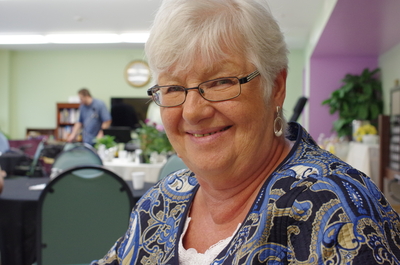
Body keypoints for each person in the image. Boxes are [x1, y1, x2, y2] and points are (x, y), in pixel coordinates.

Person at [92, 0, 400, 264]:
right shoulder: (160, 199)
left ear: (275, 87)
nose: (192, 112)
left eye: (220, 82)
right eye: (173, 88)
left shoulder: (338, 209)